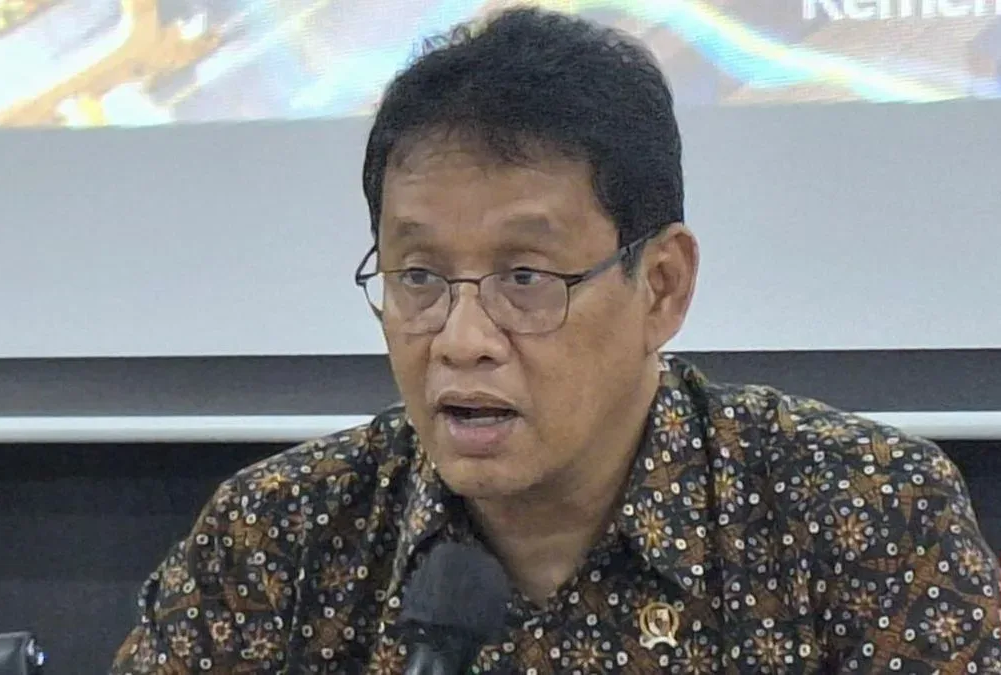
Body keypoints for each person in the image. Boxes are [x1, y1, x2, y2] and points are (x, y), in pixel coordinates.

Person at [110, 8, 1001, 674]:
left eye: (526, 278)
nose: (462, 340)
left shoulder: (863, 516)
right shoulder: (277, 538)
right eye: (418, 276)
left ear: (662, 286)